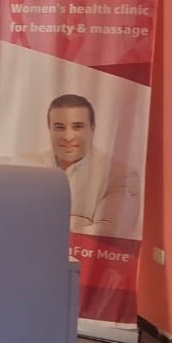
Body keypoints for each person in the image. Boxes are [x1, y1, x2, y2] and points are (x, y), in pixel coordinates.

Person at [43, 94, 141, 239]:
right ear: (49, 129)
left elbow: (109, 233)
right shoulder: (28, 167)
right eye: (59, 127)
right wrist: (81, 222)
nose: (68, 137)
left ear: (92, 129)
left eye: (77, 127)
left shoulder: (121, 174)